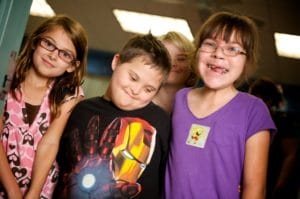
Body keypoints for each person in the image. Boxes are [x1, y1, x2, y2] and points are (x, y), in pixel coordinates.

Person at [164, 11, 277, 199]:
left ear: (246, 61)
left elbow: (254, 190)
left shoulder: (253, 110)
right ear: (198, 50)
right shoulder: (178, 99)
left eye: (232, 49)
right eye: (209, 44)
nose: (218, 54)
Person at [53, 33, 171, 199]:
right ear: (116, 62)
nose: (136, 90)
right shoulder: (82, 110)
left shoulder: (162, 122)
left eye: (148, 89)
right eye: (133, 78)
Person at [0, 15, 88, 199]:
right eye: (48, 44)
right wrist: (12, 190)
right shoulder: (6, 75)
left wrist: (33, 193)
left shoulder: (69, 94)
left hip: (41, 191)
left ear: (72, 66)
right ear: (35, 42)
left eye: (65, 54)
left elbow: (50, 143)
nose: (53, 55)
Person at [249, 77, 299, 199]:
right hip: (256, 180)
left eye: (258, 98)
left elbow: (291, 155)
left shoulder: (283, 122)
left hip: (276, 180)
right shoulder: (251, 122)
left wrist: (281, 184)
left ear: (269, 100)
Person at [153, 31, 197, 113]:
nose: (173, 63)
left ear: (192, 64)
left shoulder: (200, 104)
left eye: (181, 59)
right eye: (166, 58)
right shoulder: (137, 101)